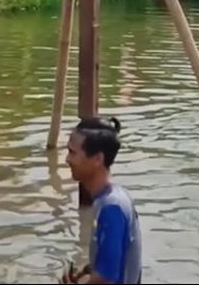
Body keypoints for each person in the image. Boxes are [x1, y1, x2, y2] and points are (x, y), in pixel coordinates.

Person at [62, 116, 142, 284]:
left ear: (98, 159)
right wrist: (87, 272)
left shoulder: (111, 207)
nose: (67, 160)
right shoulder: (113, 198)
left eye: (72, 153)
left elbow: (106, 279)